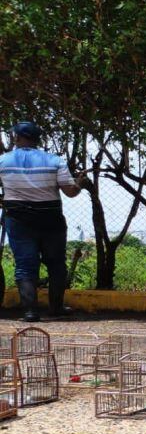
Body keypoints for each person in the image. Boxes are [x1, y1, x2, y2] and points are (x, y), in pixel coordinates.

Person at [0, 121, 87, 321]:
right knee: (56, 263)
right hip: (51, 219)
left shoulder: (3, 161)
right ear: (38, 139)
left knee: (25, 264)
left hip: (18, 219)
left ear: (16, 138)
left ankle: (30, 312)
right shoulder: (54, 161)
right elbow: (70, 192)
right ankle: (56, 308)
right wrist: (80, 183)